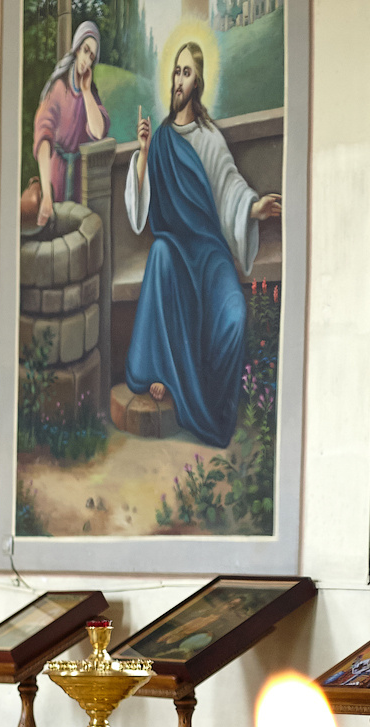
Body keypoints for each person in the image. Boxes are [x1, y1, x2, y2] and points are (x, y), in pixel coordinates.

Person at [122, 41, 282, 450]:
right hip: (175, 250)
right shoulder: (158, 142)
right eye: (176, 72)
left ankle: (208, 402)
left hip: (208, 253)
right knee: (158, 254)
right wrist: (142, 155)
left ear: (199, 82)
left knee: (233, 314)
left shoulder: (209, 138)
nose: (179, 80)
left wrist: (254, 208)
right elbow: (140, 211)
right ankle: (163, 373)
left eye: (187, 73)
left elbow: (229, 187)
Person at [32, 21, 108, 229]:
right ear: (76, 49)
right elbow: (43, 138)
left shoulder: (89, 93)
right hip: (56, 176)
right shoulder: (58, 88)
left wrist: (85, 91)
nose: (87, 59)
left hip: (80, 181)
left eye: (92, 56)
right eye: (85, 51)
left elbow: (98, 131)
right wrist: (47, 194)